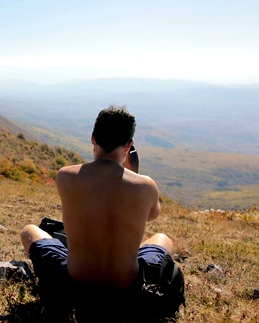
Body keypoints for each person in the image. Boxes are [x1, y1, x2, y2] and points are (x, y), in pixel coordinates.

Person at [20, 105, 181, 320]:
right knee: (162, 238)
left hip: (75, 280)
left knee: (29, 231)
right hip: (126, 285)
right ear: (129, 145)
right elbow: (152, 215)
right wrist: (133, 173)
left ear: (93, 138)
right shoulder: (146, 185)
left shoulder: (66, 176)